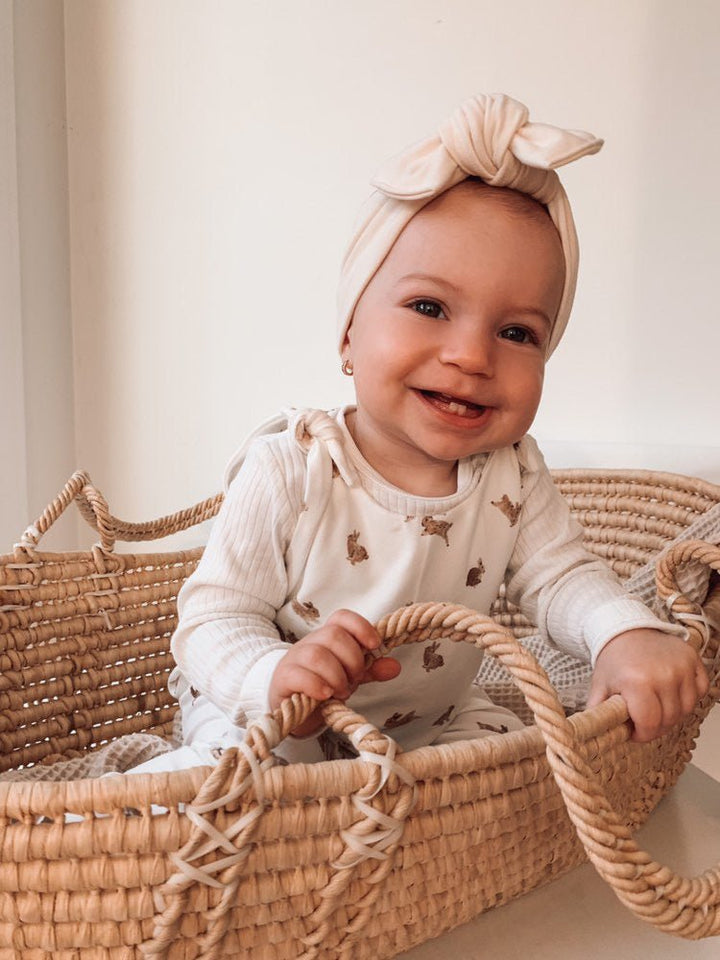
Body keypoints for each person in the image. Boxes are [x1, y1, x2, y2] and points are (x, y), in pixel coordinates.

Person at [154, 94, 708, 770]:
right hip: (271, 722)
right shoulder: (293, 469)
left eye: (516, 332)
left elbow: (563, 577)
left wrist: (623, 633)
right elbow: (212, 619)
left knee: (531, 772)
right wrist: (273, 673)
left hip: (428, 727)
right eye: (428, 307)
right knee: (213, 790)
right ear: (350, 335)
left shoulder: (513, 472)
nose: (472, 357)